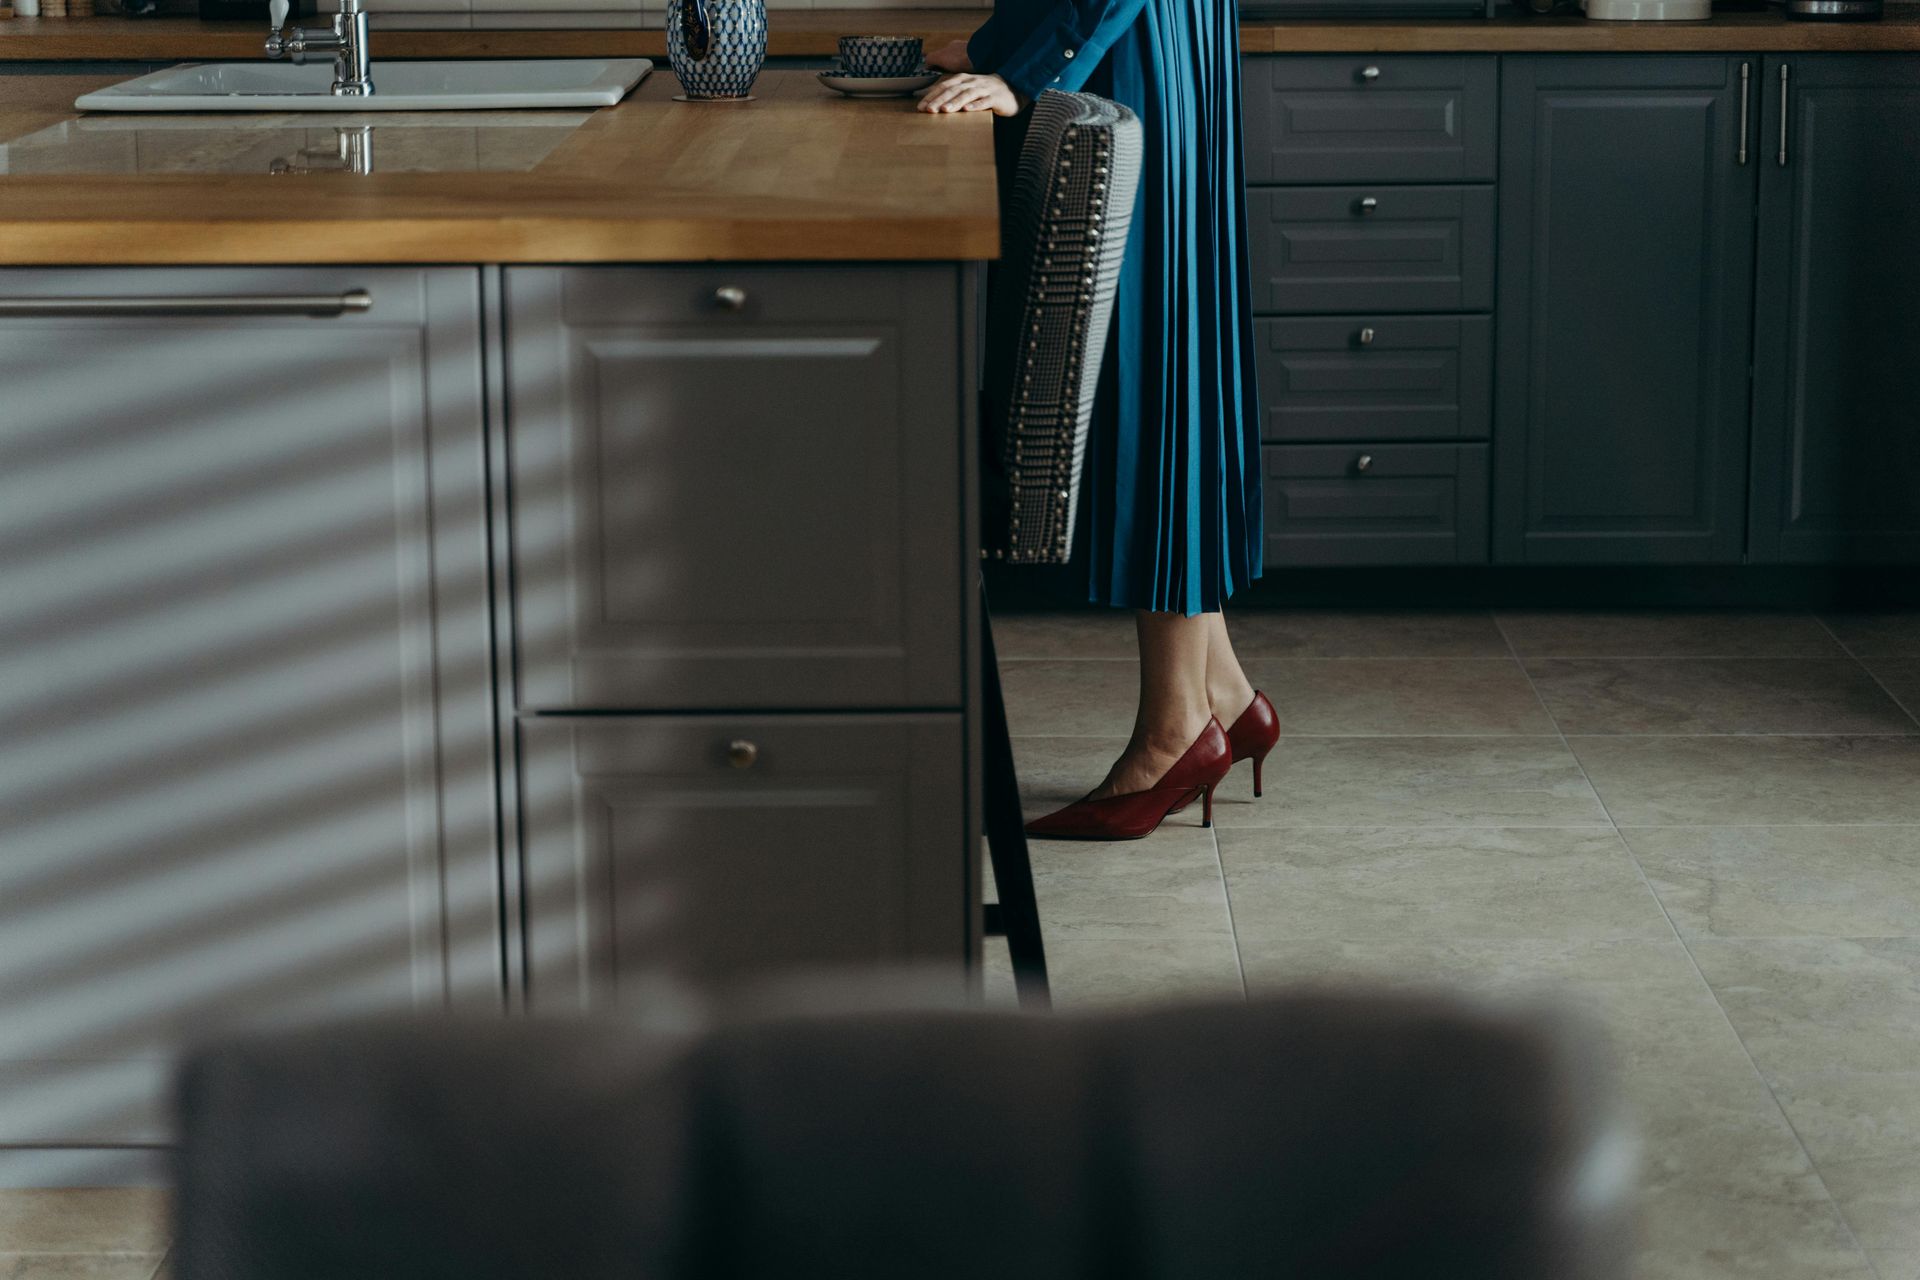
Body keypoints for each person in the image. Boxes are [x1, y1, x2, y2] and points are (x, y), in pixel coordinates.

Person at [918, 0, 1276, 840]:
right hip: (1161, 42)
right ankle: (1218, 689)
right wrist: (1001, 43)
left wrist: (1026, 65)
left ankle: (1176, 728)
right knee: (1172, 367)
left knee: (1155, 376)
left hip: (1131, 53)